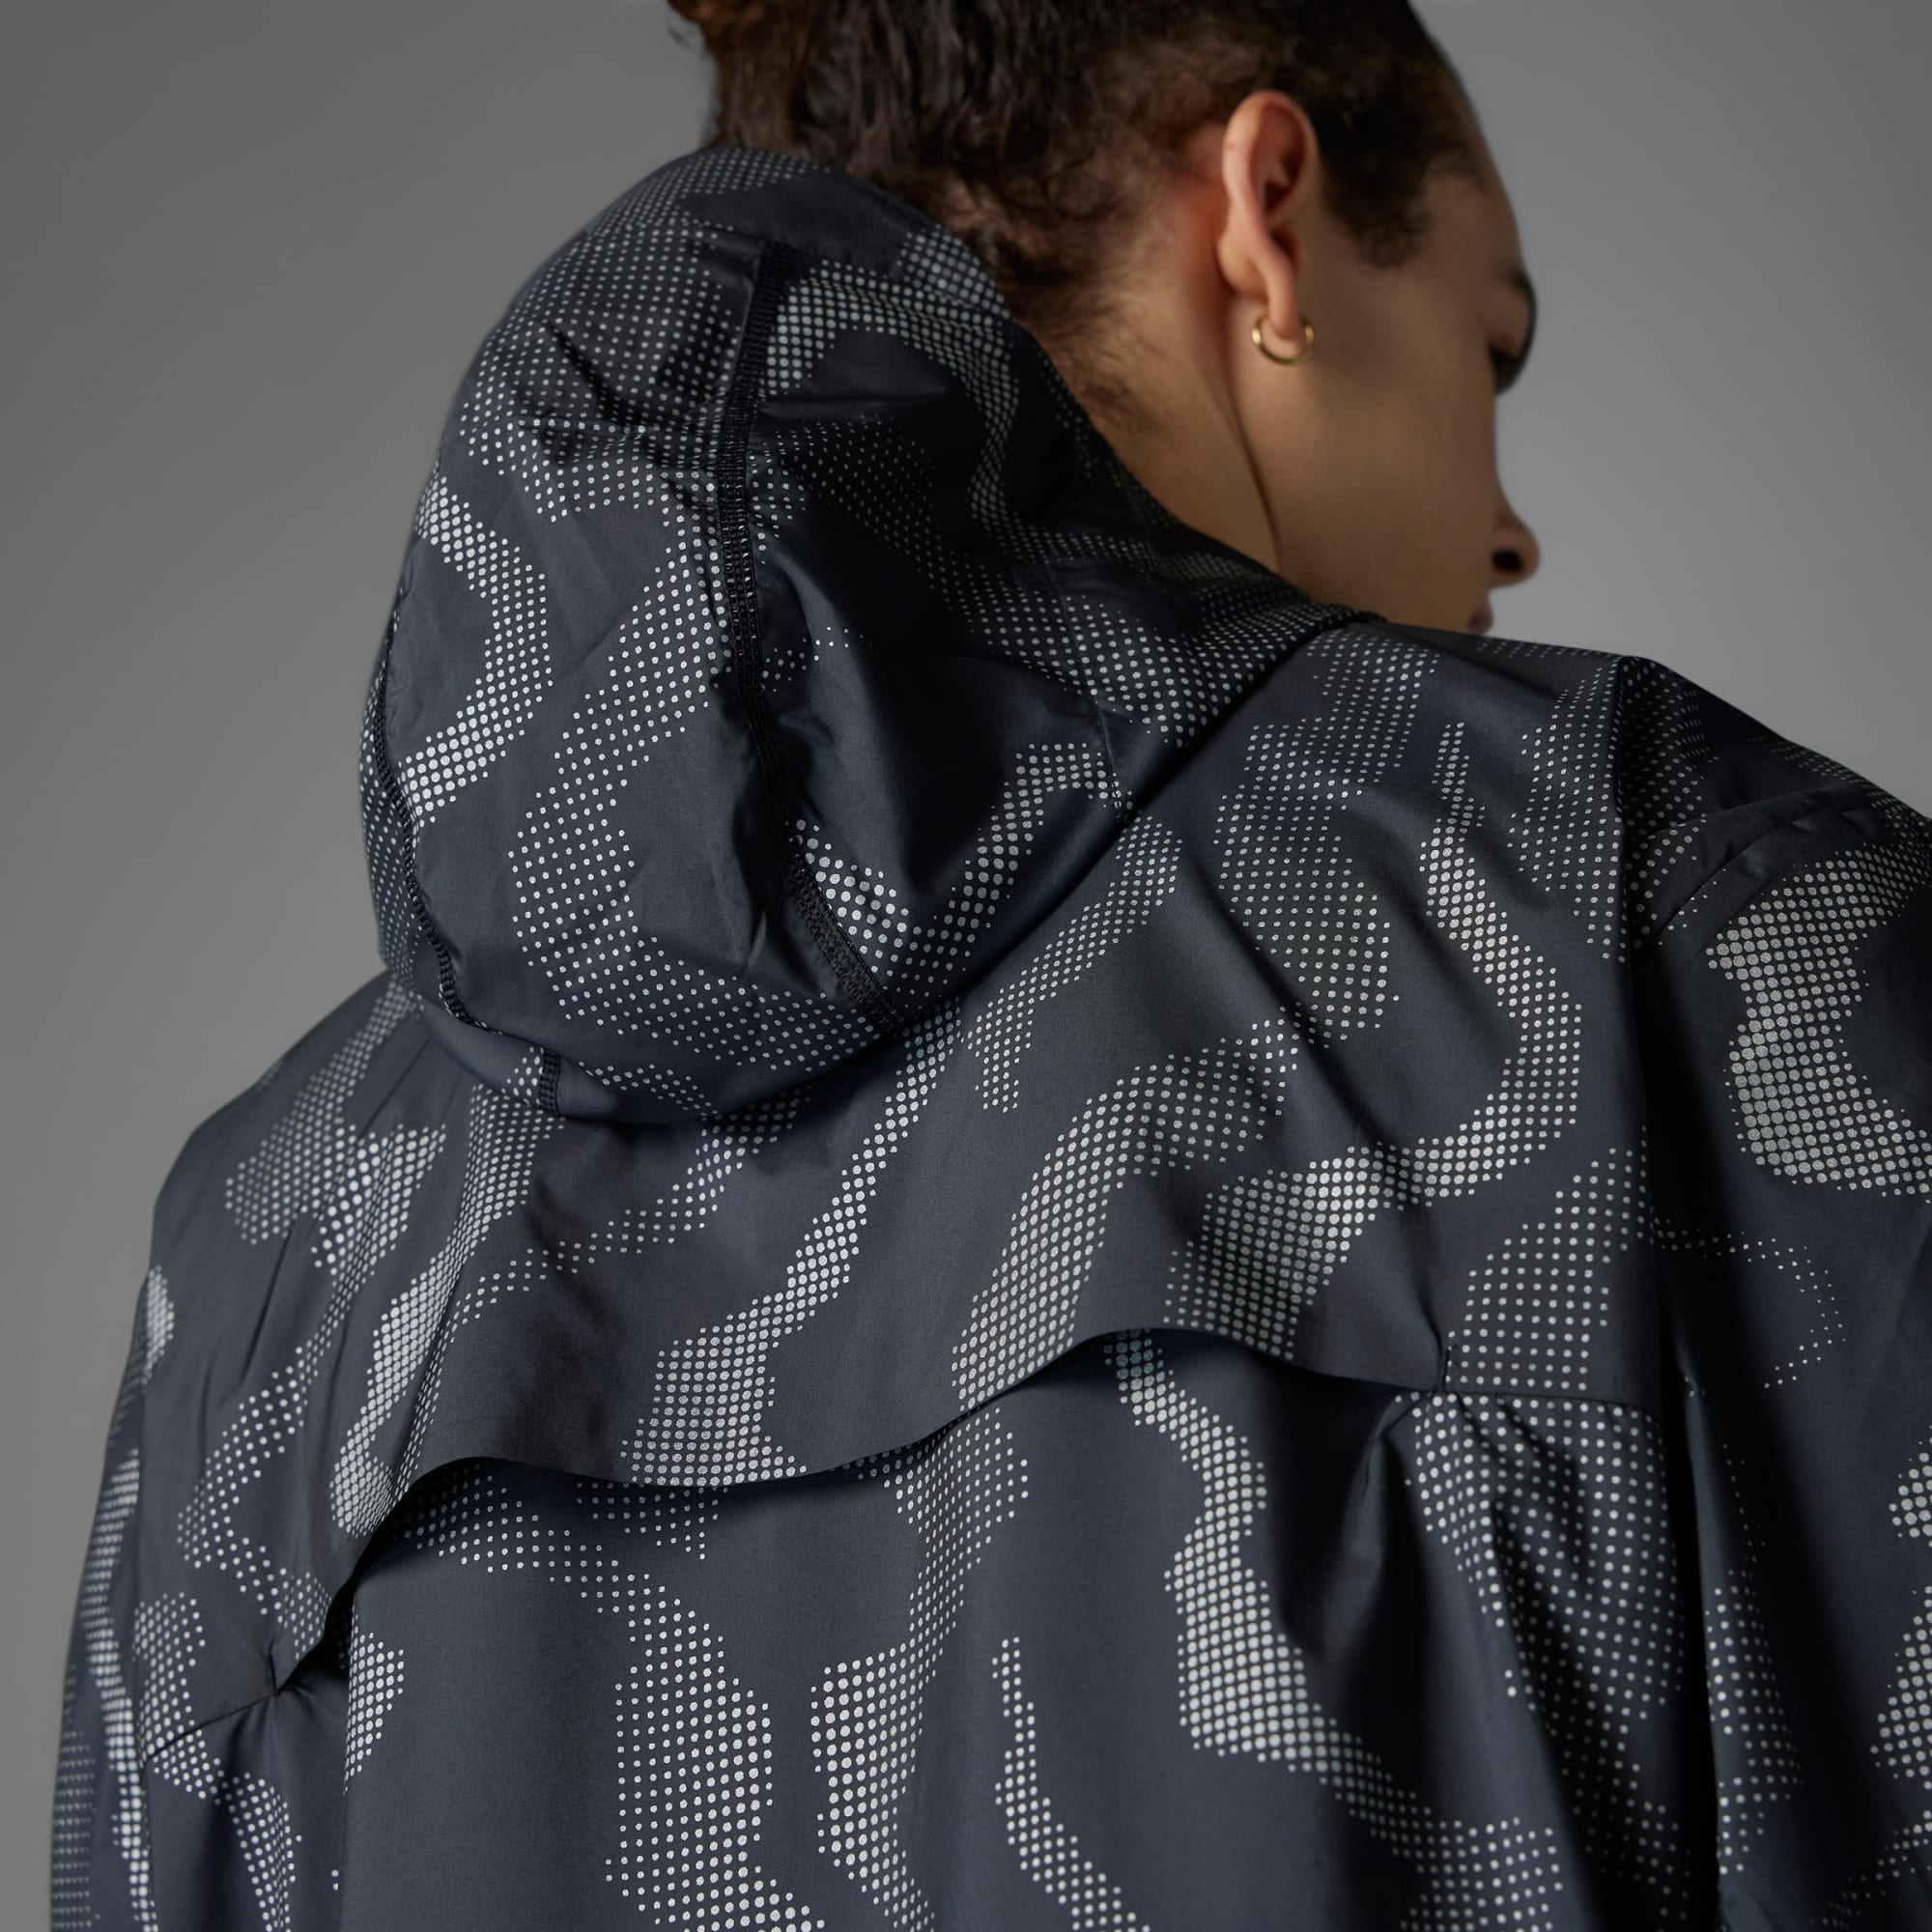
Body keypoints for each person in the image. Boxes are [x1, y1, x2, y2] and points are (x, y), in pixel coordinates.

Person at [51, 2, 1932, 1927]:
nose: (1510, 527)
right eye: (1488, 341)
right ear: (1267, 217)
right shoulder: (1678, 911)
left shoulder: (254, 1257)